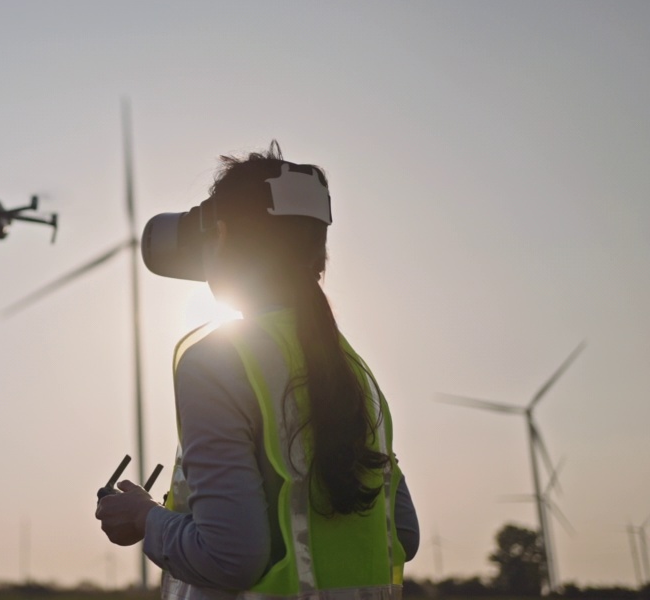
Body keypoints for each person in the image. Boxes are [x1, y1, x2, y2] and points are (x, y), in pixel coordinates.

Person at [95, 142, 420, 600]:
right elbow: (402, 534)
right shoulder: (355, 373)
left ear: (221, 237)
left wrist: (144, 518)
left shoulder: (219, 362)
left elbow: (231, 557)